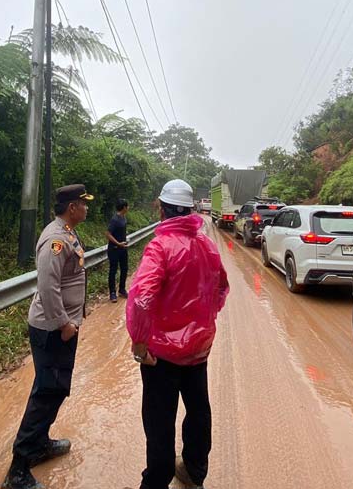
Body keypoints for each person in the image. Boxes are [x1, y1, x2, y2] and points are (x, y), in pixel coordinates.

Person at [126, 179, 230, 489]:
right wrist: (200, 324)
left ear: (162, 209)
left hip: (162, 355)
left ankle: (156, 482)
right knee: (198, 411)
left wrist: (140, 343)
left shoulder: (160, 247)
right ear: (188, 209)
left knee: (159, 422)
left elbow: (142, 297)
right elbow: (221, 288)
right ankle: (194, 473)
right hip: (198, 350)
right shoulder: (207, 245)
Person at [2, 184, 93, 489]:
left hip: (63, 324)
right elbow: (48, 285)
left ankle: (39, 444)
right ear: (72, 207)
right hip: (53, 328)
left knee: (55, 388)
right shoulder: (56, 238)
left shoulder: (67, 231)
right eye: (83, 204)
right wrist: (64, 322)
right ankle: (18, 469)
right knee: (46, 393)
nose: (87, 208)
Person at [106, 198, 130, 303]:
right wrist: (118, 243)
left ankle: (122, 289)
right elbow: (107, 234)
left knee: (124, 269)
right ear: (124, 207)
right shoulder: (115, 219)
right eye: (127, 206)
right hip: (114, 249)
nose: (128, 208)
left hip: (123, 248)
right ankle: (112, 293)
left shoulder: (123, 218)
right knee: (113, 270)